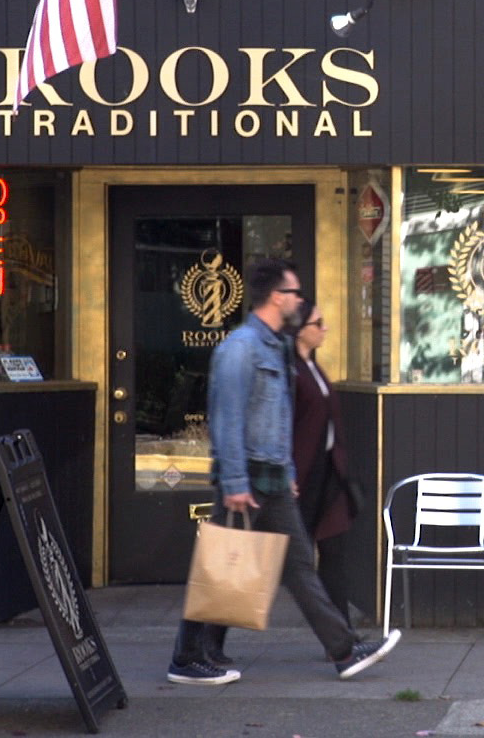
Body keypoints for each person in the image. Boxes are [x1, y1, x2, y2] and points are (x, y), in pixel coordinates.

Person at [168, 257, 400, 685]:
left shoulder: (274, 347)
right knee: (220, 567)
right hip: (247, 480)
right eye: (294, 292)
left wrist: (287, 468)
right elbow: (226, 420)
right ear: (277, 297)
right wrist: (235, 482)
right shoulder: (240, 349)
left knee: (298, 568)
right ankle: (186, 657)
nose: (299, 300)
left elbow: (278, 417)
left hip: (273, 479)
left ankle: (344, 651)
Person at [289, 298, 359, 621]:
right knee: (267, 561)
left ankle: (343, 633)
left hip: (327, 472)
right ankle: (206, 638)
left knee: (334, 548)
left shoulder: (314, 367)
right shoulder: (289, 372)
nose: (325, 328)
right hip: (299, 477)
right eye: (317, 324)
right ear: (299, 331)